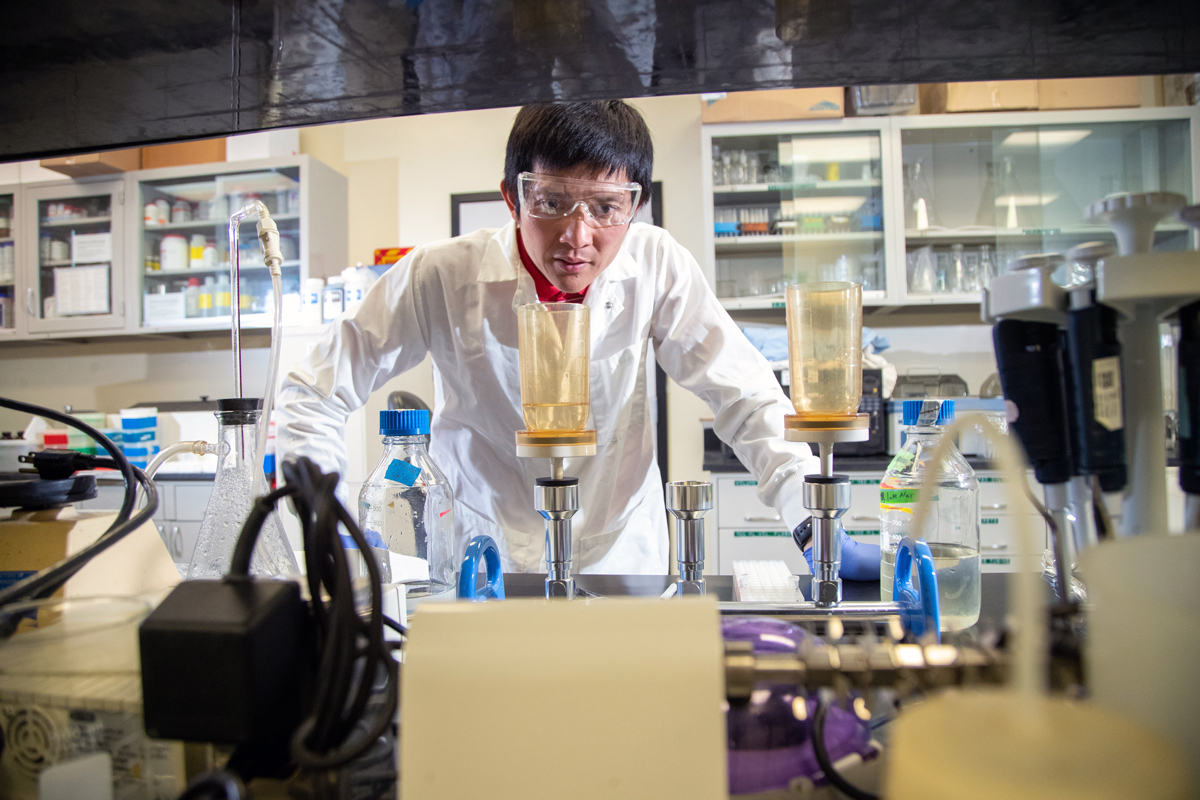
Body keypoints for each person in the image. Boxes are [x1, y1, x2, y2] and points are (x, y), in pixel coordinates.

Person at [276, 99, 878, 578]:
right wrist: (326, 524)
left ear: (635, 206)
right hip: (481, 556)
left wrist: (809, 516)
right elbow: (313, 392)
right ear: (513, 196)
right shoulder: (440, 274)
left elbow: (745, 399)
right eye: (553, 202)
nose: (577, 235)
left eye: (606, 206)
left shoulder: (656, 265)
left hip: (620, 559)